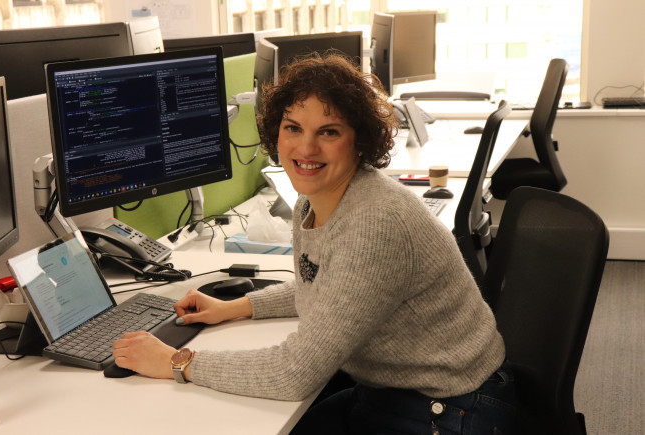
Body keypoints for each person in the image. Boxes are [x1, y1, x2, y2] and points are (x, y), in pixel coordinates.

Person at [112, 53, 516, 434]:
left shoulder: (374, 223)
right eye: (293, 128)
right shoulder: (314, 198)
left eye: (329, 132)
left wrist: (175, 361)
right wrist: (235, 308)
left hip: (452, 408)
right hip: (396, 391)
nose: (306, 149)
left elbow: (294, 373)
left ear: (359, 140)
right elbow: (326, 285)